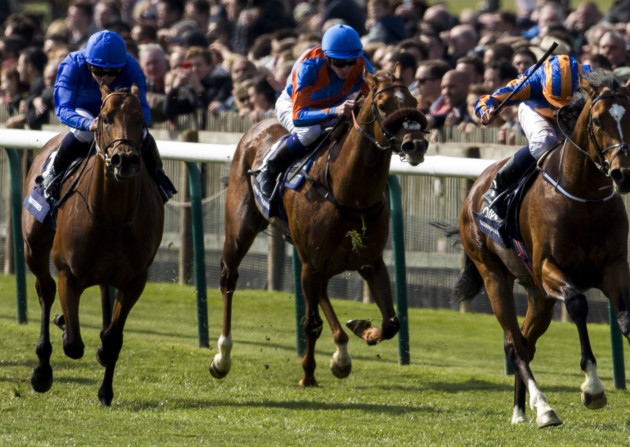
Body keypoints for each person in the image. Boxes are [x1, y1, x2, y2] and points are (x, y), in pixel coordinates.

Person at [42, 30, 176, 203]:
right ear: (88, 64)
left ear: (122, 66)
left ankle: (160, 177)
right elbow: (63, 109)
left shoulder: (131, 67)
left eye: (113, 72)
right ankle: (53, 174)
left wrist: (137, 123)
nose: (106, 77)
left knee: (141, 134)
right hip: (83, 111)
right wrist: (87, 123)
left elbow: (143, 109)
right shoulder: (72, 65)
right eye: (97, 70)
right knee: (84, 134)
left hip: (117, 114)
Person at [257, 24, 375, 198]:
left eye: (351, 62)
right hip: (294, 105)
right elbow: (299, 117)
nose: (346, 69)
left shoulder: (362, 65)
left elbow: (372, 101)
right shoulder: (309, 66)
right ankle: (268, 169)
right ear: (327, 57)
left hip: (335, 104)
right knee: (310, 132)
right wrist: (333, 111)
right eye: (339, 62)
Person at [474, 54, 591, 218]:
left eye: (568, 98)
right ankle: (498, 187)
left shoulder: (590, 77)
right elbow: (489, 99)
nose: (562, 104)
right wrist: (486, 110)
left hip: (571, 115)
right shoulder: (531, 81)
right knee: (546, 142)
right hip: (535, 111)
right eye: (557, 99)